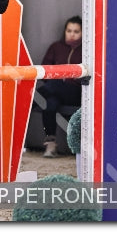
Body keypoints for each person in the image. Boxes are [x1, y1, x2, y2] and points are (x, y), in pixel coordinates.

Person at [37, 15, 83, 158]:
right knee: (50, 104)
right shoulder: (56, 47)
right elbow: (44, 71)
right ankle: (51, 145)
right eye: (69, 31)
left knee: (55, 85)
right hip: (54, 91)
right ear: (64, 31)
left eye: (76, 31)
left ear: (82, 33)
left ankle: (31, 99)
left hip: (75, 92)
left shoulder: (86, 49)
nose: (72, 34)